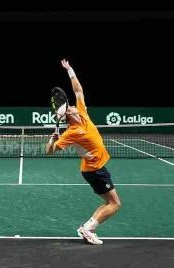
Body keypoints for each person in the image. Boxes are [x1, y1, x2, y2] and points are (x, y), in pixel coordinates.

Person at [45, 59, 121, 245]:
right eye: (69, 107)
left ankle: (87, 228)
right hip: (94, 170)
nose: (72, 105)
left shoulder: (82, 113)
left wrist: (70, 70)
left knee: (109, 202)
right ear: (68, 115)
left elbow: (78, 91)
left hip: (96, 168)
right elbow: (49, 152)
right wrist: (51, 140)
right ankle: (88, 229)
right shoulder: (71, 133)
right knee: (115, 204)